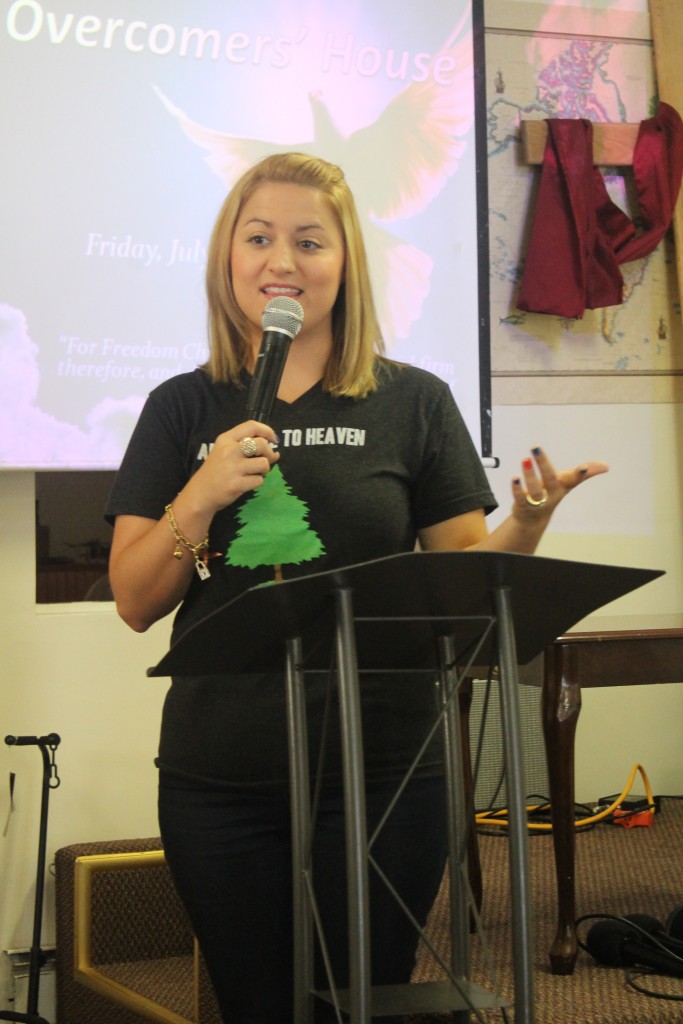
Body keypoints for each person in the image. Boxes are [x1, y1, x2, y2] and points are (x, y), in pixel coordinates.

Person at [106, 151, 608, 1023]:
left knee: (364, 1002)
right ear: (227, 257)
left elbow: (463, 582)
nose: (282, 261)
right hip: (223, 776)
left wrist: (526, 522)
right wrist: (201, 492)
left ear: (344, 265)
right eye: (258, 238)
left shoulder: (414, 402)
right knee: (257, 1005)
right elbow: (134, 600)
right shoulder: (181, 407)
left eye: (309, 241)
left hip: (386, 773)